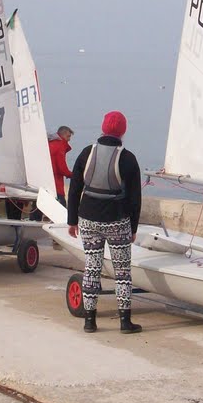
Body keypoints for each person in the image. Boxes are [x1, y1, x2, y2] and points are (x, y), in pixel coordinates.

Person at [66, 111, 143, 334]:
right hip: (117, 221)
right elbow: (135, 199)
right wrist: (133, 228)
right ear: (123, 131)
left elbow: (75, 189)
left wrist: (72, 221)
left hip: (88, 219)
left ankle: (89, 321)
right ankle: (125, 322)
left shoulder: (86, 153)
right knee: (122, 272)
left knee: (92, 269)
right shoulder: (128, 159)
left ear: (102, 128)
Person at [30, 125, 74, 221]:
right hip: (55, 183)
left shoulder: (49, 144)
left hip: (43, 181)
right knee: (61, 207)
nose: (69, 139)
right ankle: (63, 225)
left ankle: (33, 222)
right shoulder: (60, 145)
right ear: (62, 135)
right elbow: (61, 167)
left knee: (39, 205)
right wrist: (72, 175)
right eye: (68, 136)